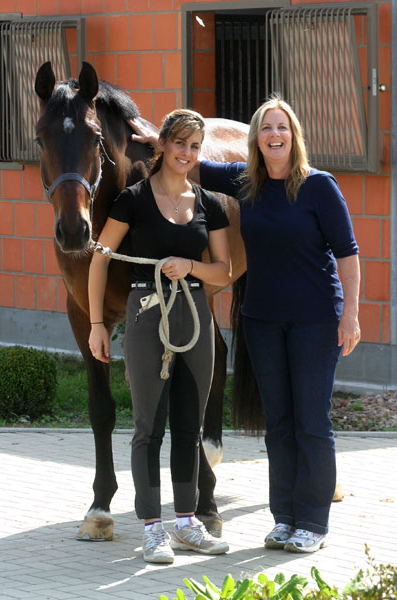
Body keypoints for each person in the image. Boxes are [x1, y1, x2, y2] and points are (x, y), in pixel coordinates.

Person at [128, 97, 361, 554]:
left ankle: (312, 522)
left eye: (282, 127)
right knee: (278, 423)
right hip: (262, 322)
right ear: (255, 139)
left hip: (315, 321)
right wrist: (161, 140)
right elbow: (192, 163)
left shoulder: (319, 186)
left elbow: (348, 255)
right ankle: (284, 518)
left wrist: (350, 315)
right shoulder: (244, 183)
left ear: (294, 136)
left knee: (311, 422)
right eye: (266, 128)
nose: (274, 135)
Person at [88, 109, 231, 564]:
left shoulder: (208, 203)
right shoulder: (132, 199)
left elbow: (223, 272)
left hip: (194, 317)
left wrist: (190, 266)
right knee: (148, 429)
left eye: (195, 146)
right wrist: (97, 324)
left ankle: (187, 523)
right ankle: (152, 529)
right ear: (163, 144)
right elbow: (99, 258)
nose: (186, 153)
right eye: (180, 143)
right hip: (147, 315)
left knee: (189, 428)